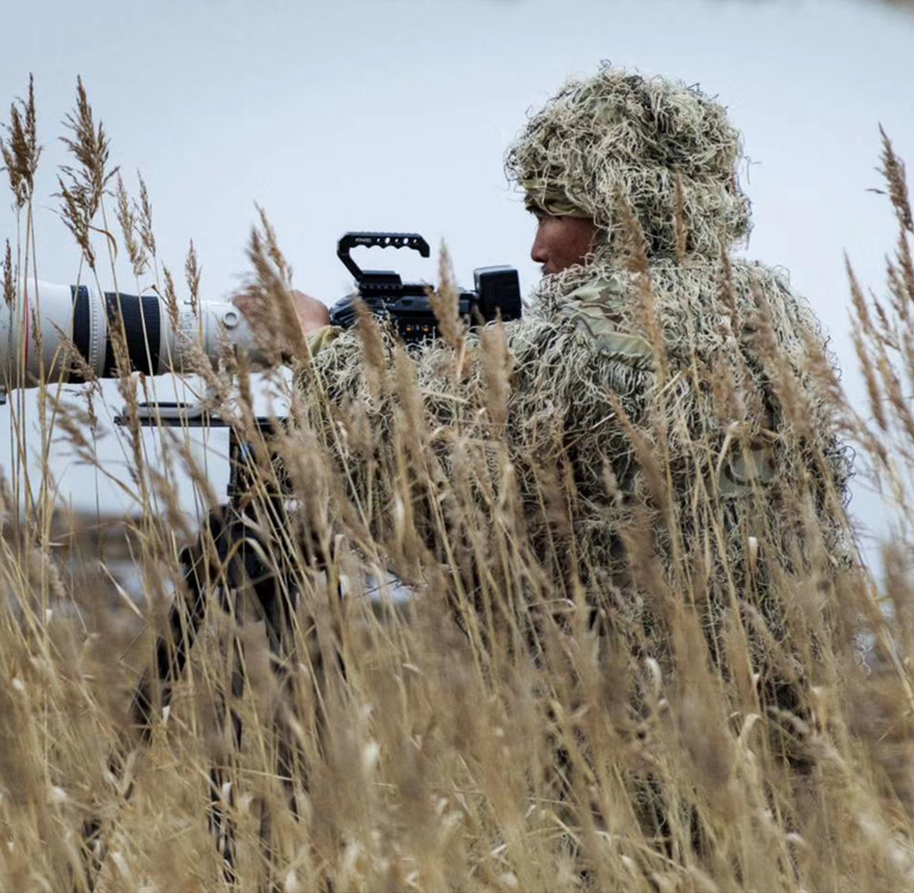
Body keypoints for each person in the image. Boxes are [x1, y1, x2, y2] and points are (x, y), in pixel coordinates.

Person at [259, 65, 856, 856]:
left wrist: (325, 351)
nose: (537, 247)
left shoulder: (586, 330)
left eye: (556, 213)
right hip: (769, 734)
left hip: (631, 754)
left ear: (621, 206)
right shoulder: (773, 314)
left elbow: (429, 487)